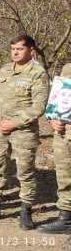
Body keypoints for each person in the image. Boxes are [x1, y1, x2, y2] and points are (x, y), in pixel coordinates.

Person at [0, 35, 49, 231]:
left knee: (25, 172)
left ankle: (26, 210)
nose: (15, 52)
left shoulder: (38, 74)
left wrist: (13, 123)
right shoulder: (4, 70)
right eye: (13, 48)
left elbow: (39, 106)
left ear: (31, 51)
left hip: (23, 131)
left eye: (19, 49)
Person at [37, 62, 71, 235]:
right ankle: (66, 218)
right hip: (64, 132)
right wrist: (52, 118)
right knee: (65, 177)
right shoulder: (68, 68)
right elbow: (58, 98)